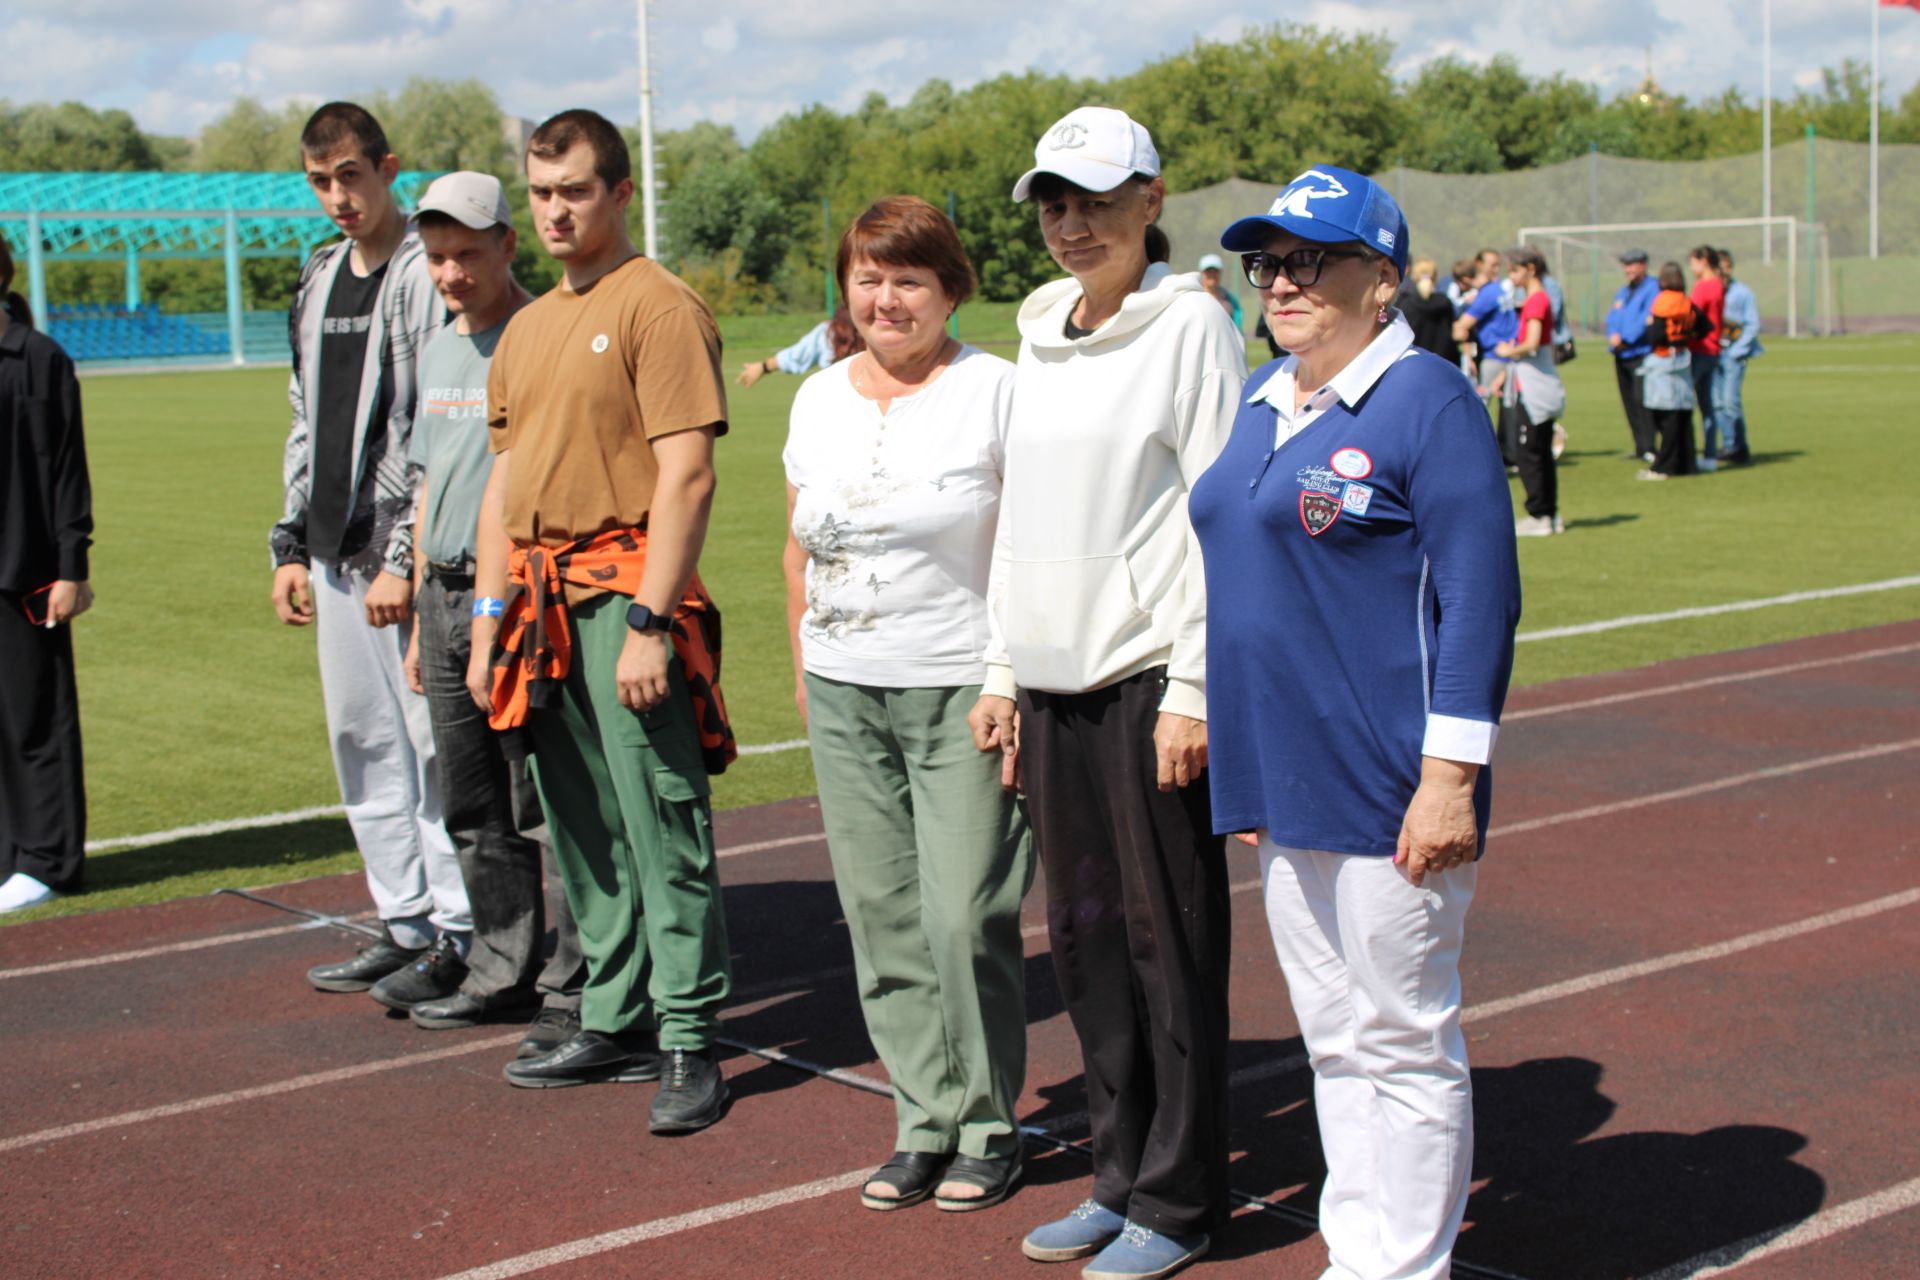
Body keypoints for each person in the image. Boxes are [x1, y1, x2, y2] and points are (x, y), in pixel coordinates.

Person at [1192, 165, 1523, 1280]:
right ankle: (1360, 1250)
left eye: (1307, 260)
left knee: (1403, 1037)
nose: (1281, 282)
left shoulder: (1426, 396)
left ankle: (1408, 1267)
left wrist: (1452, 777)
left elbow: (1479, 595)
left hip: (1390, 779)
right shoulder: (1261, 397)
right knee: (1335, 1041)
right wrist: (1243, 765)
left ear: (1381, 279)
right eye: (1266, 263)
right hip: (1283, 780)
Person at [969, 106, 1246, 1280]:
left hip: (1144, 683)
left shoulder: (1193, 329)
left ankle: (1182, 1199)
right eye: (1053, 202)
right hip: (1049, 687)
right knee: (1082, 945)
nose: (1071, 224)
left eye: (1094, 199)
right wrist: (999, 668)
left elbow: (1216, 521)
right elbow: (1018, 517)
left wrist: (1193, 683)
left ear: (1152, 199)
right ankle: (1118, 1173)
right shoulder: (1037, 333)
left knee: (1164, 941)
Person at [471, 109, 735, 1135]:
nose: (554, 211)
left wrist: (649, 619)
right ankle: (616, 1011)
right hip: (536, 602)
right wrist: (491, 611)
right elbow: (504, 484)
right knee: (579, 825)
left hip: (621, 593)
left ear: (618, 193)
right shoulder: (528, 324)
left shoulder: (657, 306)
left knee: (661, 817)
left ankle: (687, 1032)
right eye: (540, 193)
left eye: (574, 191)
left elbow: (689, 472)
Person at [783, 196, 1033, 1213]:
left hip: (961, 684)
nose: (885, 299)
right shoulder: (817, 398)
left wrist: (1008, 677)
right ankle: (921, 1118)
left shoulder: (997, 393)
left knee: (967, 911)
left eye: (909, 279)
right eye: (867, 277)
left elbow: (1027, 546)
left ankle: (987, 1121)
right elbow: (800, 541)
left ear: (950, 288)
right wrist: (803, 662)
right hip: (846, 685)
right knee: (880, 913)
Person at [269, 103, 470, 999]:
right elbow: (303, 417)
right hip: (329, 551)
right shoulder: (316, 276)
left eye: (352, 175)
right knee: (361, 739)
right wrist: (286, 541)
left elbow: (433, 424)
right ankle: (402, 919)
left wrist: (402, 556)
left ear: (388, 168)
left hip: (401, 558)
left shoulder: (425, 276)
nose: (339, 197)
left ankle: (462, 931)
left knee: (429, 744)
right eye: (321, 181)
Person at [393, 171, 588, 1054]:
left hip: (514, 588)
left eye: (468, 253)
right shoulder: (438, 350)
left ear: (509, 243)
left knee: (545, 796)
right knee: (470, 798)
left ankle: (581, 978)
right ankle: (499, 964)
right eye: (436, 256)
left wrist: (492, 604)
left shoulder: (541, 333)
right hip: (440, 589)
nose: (451, 272)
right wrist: (416, 599)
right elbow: (431, 479)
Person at [0, 239, 92, 915]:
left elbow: (65, 468)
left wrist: (71, 565)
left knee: (36, 719)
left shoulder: (38, 359)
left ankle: (47, 859)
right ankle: (8, 853)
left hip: (26, 568)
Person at [1492, 246, 1567, 536]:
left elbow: (1532, 342)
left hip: (1535, 385)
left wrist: (1508, 351)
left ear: (1531, 269)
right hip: (1533, 380)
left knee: (1530, 453)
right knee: (1540, 452)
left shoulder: (1536, 301)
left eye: (1515, 270)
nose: (1511, 276)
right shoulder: (1537, 299)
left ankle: (1539, 514)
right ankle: (1549, 513)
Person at [1451, 248, 1518, 463]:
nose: (1496, 269)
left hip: (1494, 357)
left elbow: (1462, 326)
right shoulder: (1496, 290)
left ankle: (1481, 457)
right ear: (1479, 265)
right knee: (1506, 407)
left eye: (1498, 265)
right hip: (1506, 356)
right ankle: (1508, 454)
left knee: (1481, 408)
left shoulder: (1489, 293)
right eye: (1493, 265)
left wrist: (1455, 337)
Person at [1638, 261, 1699, 481]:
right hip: (1683, 356)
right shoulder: (1687, 301)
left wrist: (1648, 325)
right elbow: (1703, 325)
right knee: (1683, 413)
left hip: (1663, 360)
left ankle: (1664, 465)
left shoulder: (1662, 302)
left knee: (1665, 416)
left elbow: (1656, 335)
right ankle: (1687, 462)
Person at [1605, 248, 1660, 462]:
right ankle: (1639, 446)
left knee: (1642, 401)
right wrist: (1613, 335)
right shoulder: (1624, 291)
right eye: (1625, 265)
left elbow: (1647, 319)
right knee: (1628, 402)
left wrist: (1626, 338)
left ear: (1643, 265)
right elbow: (1613, 317)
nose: (1628, 269)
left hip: (1639, 352)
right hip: (1620, 354)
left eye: (1632, 264)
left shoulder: (1652, 288)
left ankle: (1649, 446)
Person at [1713, 248, 1761, 466]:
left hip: (1733, 354)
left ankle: (1739, 447)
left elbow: (1752, 325)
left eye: (1726, 268)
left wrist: (1737, 351)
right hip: (1714, 353)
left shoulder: (1742, 293)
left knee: (1730, 401)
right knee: (1717, 403)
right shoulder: (1710, 291)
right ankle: (1728, 444)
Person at [735, 307, 862, 388]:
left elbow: (798, 355)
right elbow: (798, 354)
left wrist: (764, 367)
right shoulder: (827, 331)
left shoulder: (828, 331)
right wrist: (763, 367)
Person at [1686, 245, 1725, 471]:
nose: (1691, 268)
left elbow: (1690, 316)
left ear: (1703, 261)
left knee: (1683, 403)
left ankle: (1686, 453)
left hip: (1699, 349)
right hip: (1713, 350)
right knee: (1707, 406)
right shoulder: (1719, 285)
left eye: (1693, 262)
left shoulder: (1703, 287)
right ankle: (1710, 455)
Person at [1396, 257, 1458, 367]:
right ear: (1435, 276)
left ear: (1415, 276)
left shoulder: (1406, 304)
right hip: (1441, 365)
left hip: (1411, 364)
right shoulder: (1445, 303)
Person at [1196, 253, 1243, 332]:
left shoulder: (1230, 300)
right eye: (1208, 271)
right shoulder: (1194, 298)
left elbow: (1237, 328)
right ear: (1202, 273)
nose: (1212, 274)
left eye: (1215, 271)